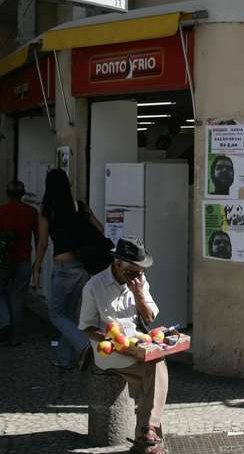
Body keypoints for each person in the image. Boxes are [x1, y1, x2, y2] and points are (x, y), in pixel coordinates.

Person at [79, 237, 168, 454]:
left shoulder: (139, 280)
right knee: (156, 374)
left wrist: (138, 293)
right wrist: (108, 340)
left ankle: (146, 438)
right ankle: (148, 438)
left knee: (155, 366)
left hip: (138, 344)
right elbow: (86, 326)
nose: (138, 276)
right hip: (111, 352)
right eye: (133, 272)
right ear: (118, 264)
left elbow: (149, 319)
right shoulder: (94, 286)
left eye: (141, 271)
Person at [31, 169, 94, 369]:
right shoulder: (79, 206)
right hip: (82, 268)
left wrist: (36, 268)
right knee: (69, 315)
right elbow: (99, 230)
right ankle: (64, 360)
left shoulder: (47, 209)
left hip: (62, 267)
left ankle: (84, 344)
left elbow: (41, 244)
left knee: (56, 315)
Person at [0, 181, 38, 345]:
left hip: (4, 261)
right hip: (24, 260)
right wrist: (37, 263)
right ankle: (16, 336)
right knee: (17, 297)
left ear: (7, 193)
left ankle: (6, 323)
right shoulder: (31, 211)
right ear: (23, 194)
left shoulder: (2, 211)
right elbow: (37, 237)